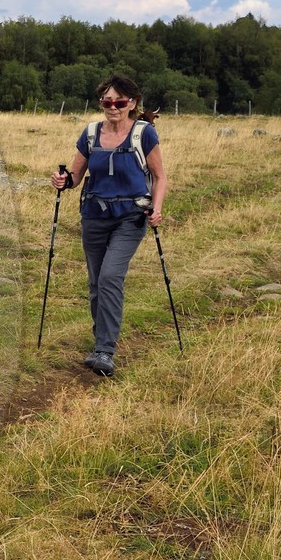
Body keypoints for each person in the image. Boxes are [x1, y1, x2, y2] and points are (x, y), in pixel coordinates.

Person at [48, 73, 168, 377]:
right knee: (95, 283)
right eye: (107, 101)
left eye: (119, 101)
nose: (112, 106)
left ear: (132, 103)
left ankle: (105, 350)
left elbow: (160, 176)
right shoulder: (91, 134)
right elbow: (75, 177)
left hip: (131, 217)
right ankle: (100, 339)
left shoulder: (144, 134)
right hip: (94, 216)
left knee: (110, 277)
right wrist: (64, 181)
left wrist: (157, 208)